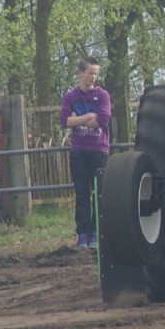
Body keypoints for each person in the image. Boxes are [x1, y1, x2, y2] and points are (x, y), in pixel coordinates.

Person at [60, 57, 111, 249]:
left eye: (96, 74)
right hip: (79, 151)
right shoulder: (70, 96)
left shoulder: (103, 95)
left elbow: (103, 120)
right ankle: (83, 233)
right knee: (81, 193)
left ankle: (97, 232)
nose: (93, 77)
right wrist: (89, 116)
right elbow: (64, 121)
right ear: (80, 73)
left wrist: (77, 119)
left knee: (99, 193)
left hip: (99, 150)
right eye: (90, 73)